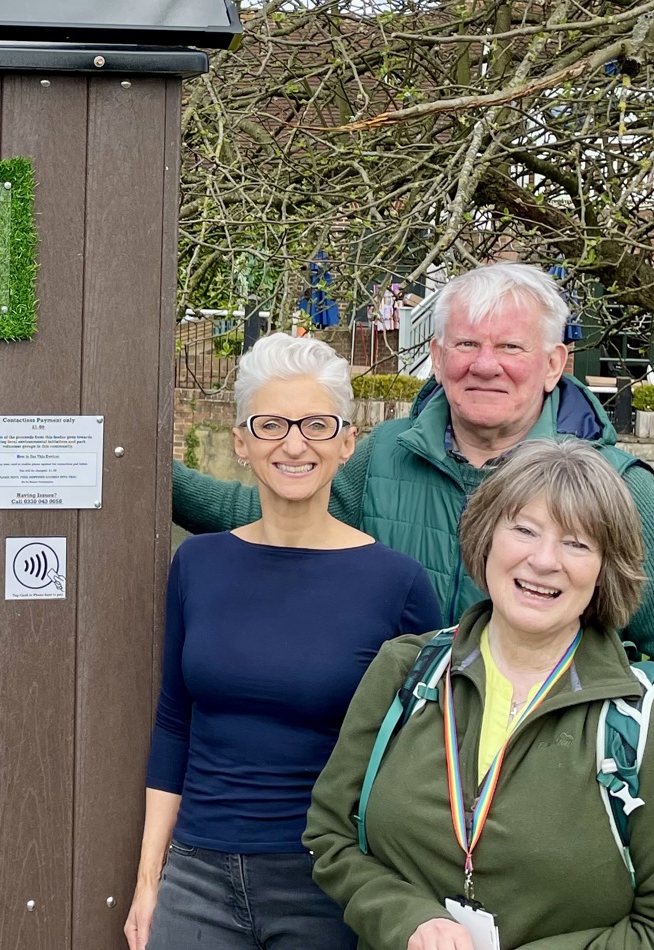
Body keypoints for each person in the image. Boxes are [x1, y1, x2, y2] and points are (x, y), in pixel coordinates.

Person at [172, 262, 654, 717]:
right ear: (438, 359)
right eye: (466, 344)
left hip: (533, 806)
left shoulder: (616, 488)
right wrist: (144, 471)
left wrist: (627, 780)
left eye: (511, 348)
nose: (484, 365)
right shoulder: (385, 455)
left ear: (553, 364)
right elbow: (268, 517)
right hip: (401, 792)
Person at [305, 439, 654, 950]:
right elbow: (329, 838)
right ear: (487, 537)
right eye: (525, 530)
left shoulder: (651, 722)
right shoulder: (405, 672)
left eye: (577, 543)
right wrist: (406, 920)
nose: (544, 560)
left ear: (605, 569)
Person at [127, 334, 441, 950]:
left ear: (347, 442)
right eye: (271, 424)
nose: (294, 443)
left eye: (316, 424)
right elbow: (174, 724)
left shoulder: (396, 583)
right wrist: (149, 883)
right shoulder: (198, 563)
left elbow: (427, 752)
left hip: (328, 881)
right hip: (197, 875)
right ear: (242, 443)